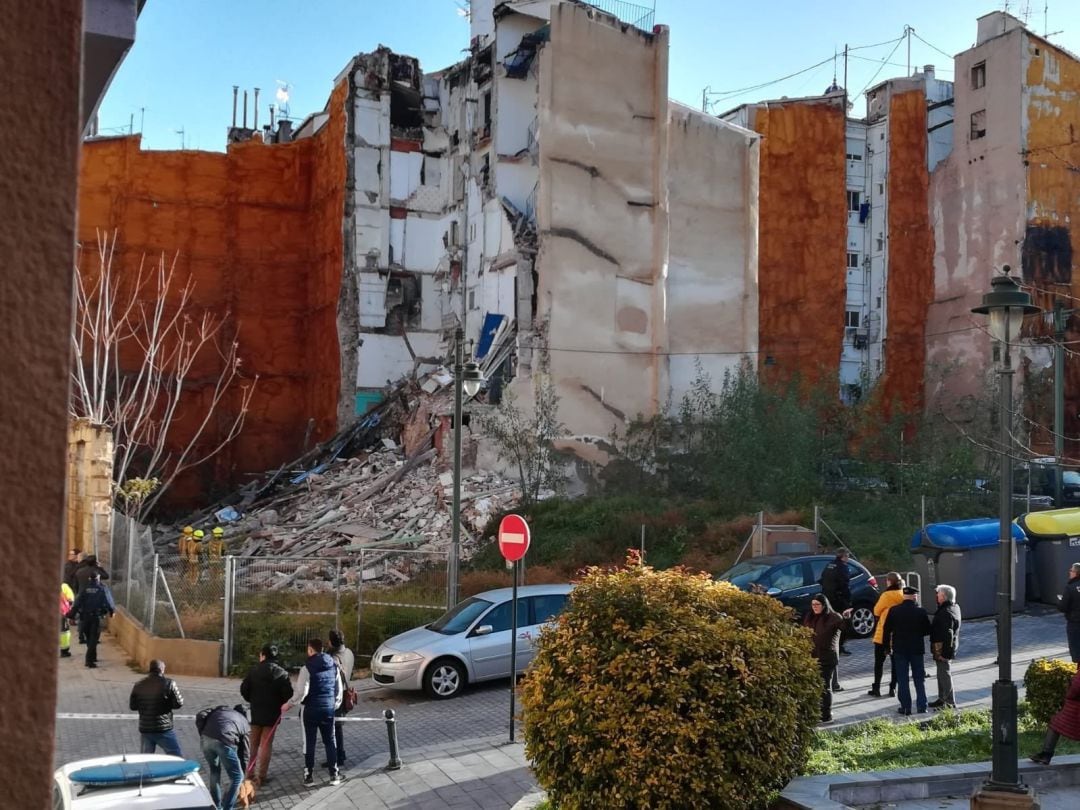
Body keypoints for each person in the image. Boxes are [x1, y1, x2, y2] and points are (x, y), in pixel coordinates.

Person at [289, 638, 343, 787]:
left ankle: (309, 776)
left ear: (311, 650)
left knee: (309, 742)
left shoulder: (306, 668)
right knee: (330, 740)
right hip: (328, 708)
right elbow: (338, 689)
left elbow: (302, 692)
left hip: (311, 710)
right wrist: (334, 704)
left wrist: (290, 704)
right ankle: (334, 774)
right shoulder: (333, 664)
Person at [240, 644, 294, 785]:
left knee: (253, 744)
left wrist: (252, 699)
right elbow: (288, 694)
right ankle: (261, 777)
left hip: (256, 713)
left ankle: (249, 774)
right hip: (272, 715)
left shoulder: (254, 670)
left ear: (263, 655)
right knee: (265, 744)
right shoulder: (282, 673)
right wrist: (280, 702)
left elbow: (244, 689)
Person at [884, 586, 932, 715]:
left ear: (904, 597)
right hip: (916, 649)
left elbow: (886, 630)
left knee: (902, 678)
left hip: (900, 649)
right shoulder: (921, 611)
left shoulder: (894, 611)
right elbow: (927, 630)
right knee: (919, 678)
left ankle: (906, 707)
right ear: (914, 596)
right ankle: (922, 706)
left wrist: (887, 648)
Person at [196, 703, 250, 810]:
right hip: (224, 741)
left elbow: (201, 717)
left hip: (205, 740)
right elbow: (244, 752)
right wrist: (243, 771)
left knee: (214, 772)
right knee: (237, 777)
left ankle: (216, 805)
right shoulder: (244, 723)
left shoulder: (219, 711)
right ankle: (228, 807)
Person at [803, 593, 844, 723]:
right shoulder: (809, 617)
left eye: (817, 605)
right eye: (813, 604)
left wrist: (847, 619)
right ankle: (816, 711)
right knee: (814, 686)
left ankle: (826, 715)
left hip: (827, 657)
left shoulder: (834, 617)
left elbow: (846, 630)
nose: (814, 607)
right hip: (812, 656)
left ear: (824, 605)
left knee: (825, 686)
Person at [129, 659, 184, 755]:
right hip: (163, 728)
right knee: (175, 756)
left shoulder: (138, 685)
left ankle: (146, 770)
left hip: (145, 728)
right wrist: (165, 704)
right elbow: (178, 703)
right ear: (162, 669)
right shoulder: (169, 683)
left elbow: (133, 706)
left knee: (145, 760)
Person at [1029, 665, 1080, 764]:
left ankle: (1046, 754)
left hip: (1075, 709)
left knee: (1055, 724)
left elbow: (1076, 687)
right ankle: (1045, 754)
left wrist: (1068, 692)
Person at [67, 571, 115, 667]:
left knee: (89, 638)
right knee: (94, 638)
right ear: (98, 578)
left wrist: (72, 614)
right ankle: (89, 660)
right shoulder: (102, 589)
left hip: (84, 617)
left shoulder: (84, 589)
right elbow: (108, 601)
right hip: (96, 617)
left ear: (89, 579)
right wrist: (112, 611)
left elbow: (77, 603)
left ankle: (93, 656)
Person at [868, 572, 904, 698]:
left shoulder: (886, 595)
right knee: (896, 663)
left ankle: (876, 688)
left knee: (879, 662)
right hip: (898, 634)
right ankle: (893, 688)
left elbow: (876, 610)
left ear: (889, 581)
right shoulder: (903, 594)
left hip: (882, 633)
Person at [929, 584, 962, 710]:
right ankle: (942, 698)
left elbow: (949, 634)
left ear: (943, 596)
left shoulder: (945, 612)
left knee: (944, 674)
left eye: (938, 594)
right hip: (945, 648)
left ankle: (949, 702)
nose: (936, 596)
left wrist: (945, 654)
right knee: (941, 673)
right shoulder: (954, 607)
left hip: (943, 649)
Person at [328, 629, 356, 770]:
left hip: (337, 695)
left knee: (334, 728)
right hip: (347, 692)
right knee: (338, 727)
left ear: (330, 642)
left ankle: (337, 757)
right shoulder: (349, 653)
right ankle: (340, 754)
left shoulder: (333, 658)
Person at [820, 549, 853, 656]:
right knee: (844, 623)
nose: (848, 558)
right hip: (839, 600)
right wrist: (848, 601)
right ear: (843, 557)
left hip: (827, 599)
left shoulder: (830, 565)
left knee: (829, 623)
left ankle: (829, 645)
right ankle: (839, 646)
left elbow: (822, 580)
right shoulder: (843, 568)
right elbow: (845, 585)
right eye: (847, 556)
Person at [1058, 562, 1080, 662]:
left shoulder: (1070, 587)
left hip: (1075, 623)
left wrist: (1061, 600)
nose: (1069, 572)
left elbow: (1063, 607)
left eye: (1071, 570)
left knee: (1076, 650)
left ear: (1076, 573)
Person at [59, 582, 75, 658]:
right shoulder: (64, 586)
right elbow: (71, 599)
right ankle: (64, 651)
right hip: (62, 613)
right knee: (64, 631)